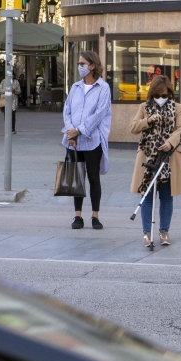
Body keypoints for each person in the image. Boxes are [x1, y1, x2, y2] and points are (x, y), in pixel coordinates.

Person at [130, 75, 181, 247]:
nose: (161, 99)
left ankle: (164, 231)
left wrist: (169, 142)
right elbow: (133, 127)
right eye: (158, 95)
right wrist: (147, 121)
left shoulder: (178, 108)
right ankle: (146, 233)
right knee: (147, 196)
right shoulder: (144, 107)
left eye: (165, 95)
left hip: (169, 158)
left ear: (170, 93)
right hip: (148, 157)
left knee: (166, 196)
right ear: (152, 94)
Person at [62, 51, 112, 230]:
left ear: (92, 65)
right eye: (79, 63)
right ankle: (77, 216)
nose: (79, 67)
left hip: (93, 140)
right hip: (73, 141)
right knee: (77, 177)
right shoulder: (75, 87)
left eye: (82, 63)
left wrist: (79, 131)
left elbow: (99, 114)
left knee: (93, 178)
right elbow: (67, 110)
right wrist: (70, 132)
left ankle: (95, 216)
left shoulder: (103, 88)